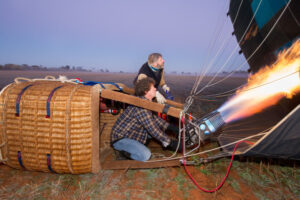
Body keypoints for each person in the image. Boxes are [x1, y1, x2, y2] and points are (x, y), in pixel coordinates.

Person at [111, 77, 182, 161]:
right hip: (120, 139)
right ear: (146, 91)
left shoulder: (145, 103)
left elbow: (155, 119)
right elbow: (152, 128)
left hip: (129, 135)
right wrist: (171, 142)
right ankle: (123, 153)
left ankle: (137, 146)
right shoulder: (141, 106)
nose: (156, 89)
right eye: (153, 88)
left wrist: (172, 127)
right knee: (145, 155)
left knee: (155, 131)